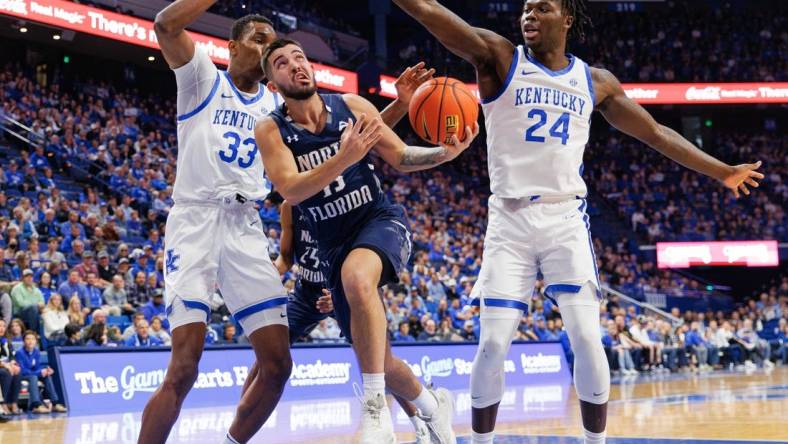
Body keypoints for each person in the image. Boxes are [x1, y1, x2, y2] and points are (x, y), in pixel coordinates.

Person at [392, 1, 765, 443]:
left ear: (567, 18)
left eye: (542, 8)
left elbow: (655, 133)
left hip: (565, 216)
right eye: (526, 9)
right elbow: (433, 14)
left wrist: (721, 171)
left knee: (588, 338)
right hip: (508, 219)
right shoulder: (499, 56)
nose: (529, 15)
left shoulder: (595, 81)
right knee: (492, 345)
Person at [258, 39, 476, 443]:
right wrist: (345, 156)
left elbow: (401, 156)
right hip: (331, 246)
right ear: (272, 83)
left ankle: (374, 408)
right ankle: (432, 405)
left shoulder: (353, 107)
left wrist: (443, 154)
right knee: (380, 357)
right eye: (282, 63)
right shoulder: (271, 129)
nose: (295, 66)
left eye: (300, 57)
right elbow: (290, 189)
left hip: (378, 220)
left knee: (358, 278)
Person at [140, 3, 291, 444]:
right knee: (184, 366)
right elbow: (165, 24)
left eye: (273, 43)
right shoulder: (202, 77)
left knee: (278, 365)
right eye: (259, 40)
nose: (267, 49)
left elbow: (343, 137)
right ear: (232, 46)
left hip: (246, 226)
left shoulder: (276, 106)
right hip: (196, 221)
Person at [15, 331, 67, 413]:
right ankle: (36, 405)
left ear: (36, 341)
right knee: (33, 377)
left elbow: (38, 367)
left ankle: (55, 403)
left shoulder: (36, 352)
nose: (30, 341)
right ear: (24, 341)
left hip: (33, 374)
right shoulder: (19, 353)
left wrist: (46, 370)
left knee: (47, 376)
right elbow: (22, 370)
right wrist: (39, 372)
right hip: (22, 375)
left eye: (33, 339)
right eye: (28, 339)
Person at [10, 269, 45, 334]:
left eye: (31, 277)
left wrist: (39, 305)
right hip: (19, 313)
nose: (29, 278)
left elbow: (42, 302)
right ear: (22, 278)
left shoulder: (36, 289)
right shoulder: (17, 288)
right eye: (27, 277)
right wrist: (37, 305)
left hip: (35, 312)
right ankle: (33, 332)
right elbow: (21, 304)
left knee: (44, 313)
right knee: (33, 308)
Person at [0, 319, 21, 416]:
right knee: (6, 373)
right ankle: (2, 403)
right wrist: (5, 365)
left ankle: (13, 403)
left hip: (5, 366)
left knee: (17, 372)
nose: (2, 328)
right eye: (0, 326)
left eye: (4, 326)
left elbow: (12, 355)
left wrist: (12, 364)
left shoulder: (6, 341)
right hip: (2, 367)